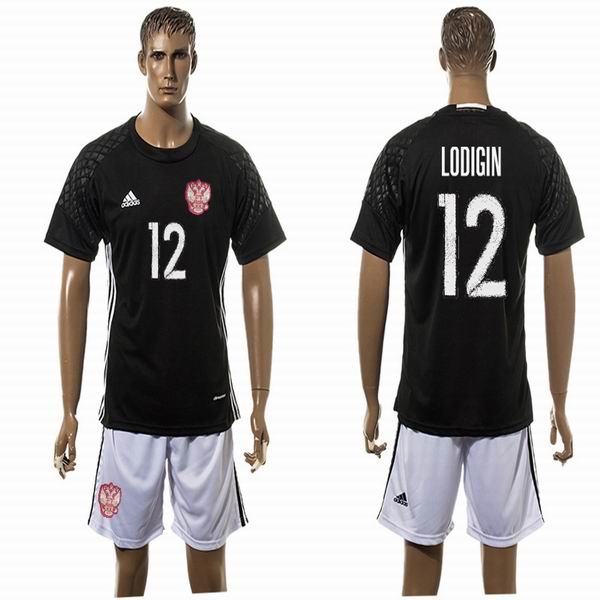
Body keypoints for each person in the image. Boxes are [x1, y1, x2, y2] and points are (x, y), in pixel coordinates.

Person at [44, 6, 285, 595]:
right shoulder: (100, 163)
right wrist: (70, 407)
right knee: (128, 567)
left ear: (195, 61)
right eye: (158, 56)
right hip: (130, 407)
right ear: (140, 62)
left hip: (206, 404)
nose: (169, 70)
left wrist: (259, 399)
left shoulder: (229, 163)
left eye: (180, 56)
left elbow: (257, 276)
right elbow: (74, 283)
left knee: (209, 569)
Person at [351, 6, 583, 595]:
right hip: (501, 396)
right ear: (494, 61)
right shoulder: (536, 154)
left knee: (420, 565)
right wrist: (559, 399)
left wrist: (370, 394)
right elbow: (561, 279)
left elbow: (373, 273)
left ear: (441, 60)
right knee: (501, 573)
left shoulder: (404, 152)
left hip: (427, 395)